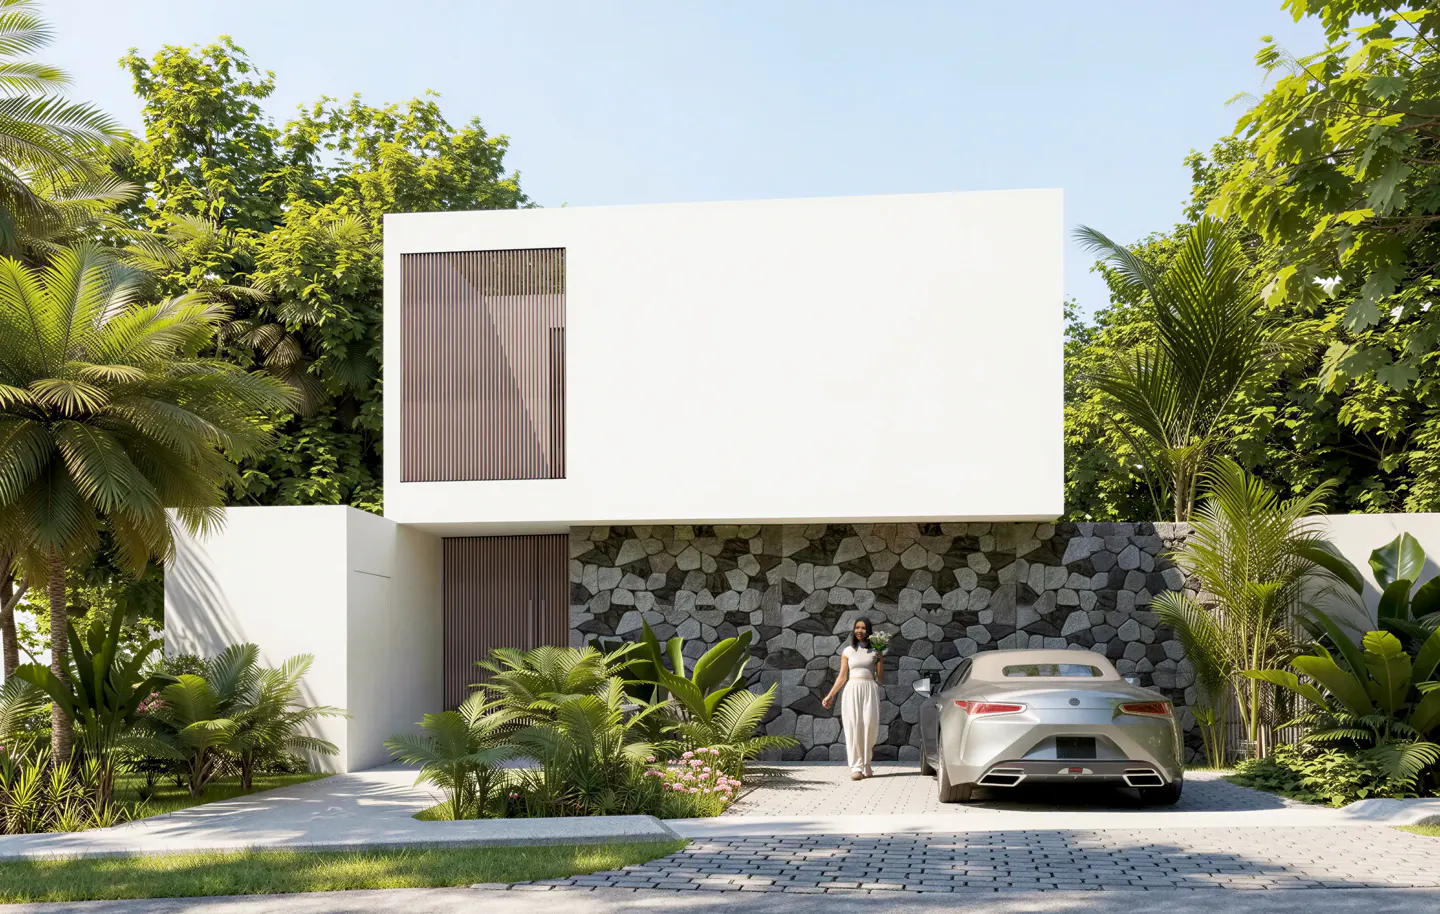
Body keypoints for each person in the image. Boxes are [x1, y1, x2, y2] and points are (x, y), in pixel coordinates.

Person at [821, 618, 884, 780]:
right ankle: (856, 767)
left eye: (863, 628)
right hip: (852, 689)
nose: (860, 630)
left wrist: (880, 658)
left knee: (870, 726)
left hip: (869, 688)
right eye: (857, 627)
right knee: (854, 726)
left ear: (868, 631)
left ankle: (867, 764)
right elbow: (842, 677)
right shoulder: (848, 651)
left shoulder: (875, 651)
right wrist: (830, 695)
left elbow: (880, 676)